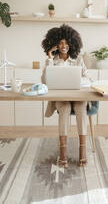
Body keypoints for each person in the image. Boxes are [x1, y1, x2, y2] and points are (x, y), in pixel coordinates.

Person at [41, 24, 91, 167]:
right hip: (61, 98)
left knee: (81, 108)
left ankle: (82, 152)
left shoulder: (78, 60)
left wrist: (80, 80)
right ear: (55, 44)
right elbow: (44, 81)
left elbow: (89, 79)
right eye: (61, 43)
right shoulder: (53, 60)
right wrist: (49, 59)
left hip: (78, 96)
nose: (64, 45)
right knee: (65, 108)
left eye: (66, 42)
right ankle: (62, 154)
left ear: (71, 43)